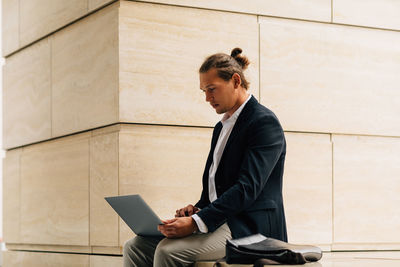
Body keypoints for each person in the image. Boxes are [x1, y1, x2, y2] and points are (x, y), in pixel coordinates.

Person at [123, 48, 287, 267]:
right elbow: (217, 188)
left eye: (212, 89)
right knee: (135, 246)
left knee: (168, 251)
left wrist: (195, 222)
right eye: (204, 91)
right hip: (223, 221)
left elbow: (247, 188)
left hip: (250, 227)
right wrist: (197, 209)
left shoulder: (263, 122)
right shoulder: (221, 128)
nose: (207, 98)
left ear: (235, 81)